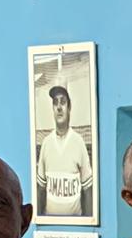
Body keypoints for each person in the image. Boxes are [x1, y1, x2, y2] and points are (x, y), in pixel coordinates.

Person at [36, 83, 94, 220]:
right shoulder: (46, 143)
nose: (59, 107)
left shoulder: (78, 142)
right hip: (50, 222)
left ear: (69, 107)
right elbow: (41, 189)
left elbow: (87, 190)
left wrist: (87, 221)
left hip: (76, 223)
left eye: (63, 102)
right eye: (55, 103)